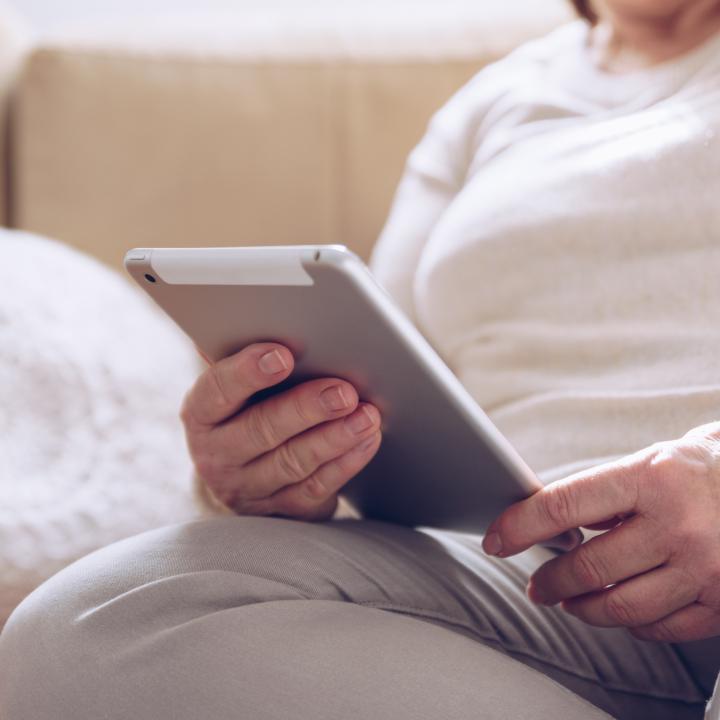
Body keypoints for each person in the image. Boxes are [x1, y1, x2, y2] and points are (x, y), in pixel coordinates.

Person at [2, 0, 720, 718]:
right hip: (535, 583)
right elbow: (403, 385)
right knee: (92, 628)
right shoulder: (501, 101)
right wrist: (290, 469)